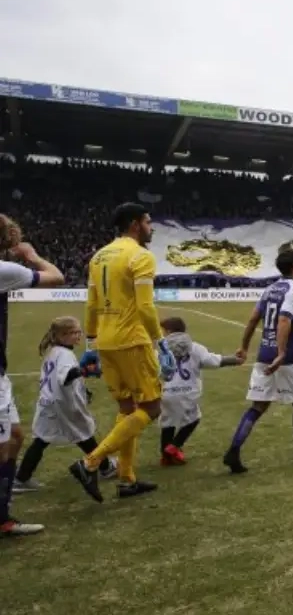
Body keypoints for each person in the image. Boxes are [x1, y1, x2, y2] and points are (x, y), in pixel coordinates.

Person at [69, 202, 172, 502]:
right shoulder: (140, 256)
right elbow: (145, 306)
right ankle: (91, 462)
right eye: (148, 222)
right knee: (151, 408)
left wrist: (91, 343)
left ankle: (127, 479)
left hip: (105, 341)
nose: (151, 228)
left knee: (127, 410)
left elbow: (91, 304)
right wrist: (160, 341)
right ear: (135, 224)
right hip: (132, 341)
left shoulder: (98, 256)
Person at [222, 249, 293, 474]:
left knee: (258, 406)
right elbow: (284, 320)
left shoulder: (269, 289)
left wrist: (244, 346)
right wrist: (281, 352)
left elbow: (253, 319)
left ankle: (234, 450)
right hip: (288, 358)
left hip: (263, 354)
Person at [0, 216, 66, 535]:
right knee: (4, 445)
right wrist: (31, 255)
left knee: (14, 437)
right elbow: (56, 277)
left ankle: (3, 515)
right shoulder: (4, 270)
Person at [14, 317, 117, 492]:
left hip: (48, 402)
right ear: (61, 336)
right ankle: (106, 467)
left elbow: (59, 379)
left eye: (79, 331)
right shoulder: (64, 355)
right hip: (64, 406)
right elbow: (66, 376)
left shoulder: (53, 351)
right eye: (73, 333)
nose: (78, 335)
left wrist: (83, 390)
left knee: (41, 440)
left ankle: (21, 478)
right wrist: (84, 370)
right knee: (84, 434)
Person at [158, 317, 244, 466]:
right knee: (194, 419)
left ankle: (165, 456)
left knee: (168, 422)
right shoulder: (195, 347)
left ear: (170, 331)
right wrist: (235, 360)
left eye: (164, 331)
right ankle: (175, 446)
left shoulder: (161, 349)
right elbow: (213, 361)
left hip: (167, 392)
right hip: (188, 391)